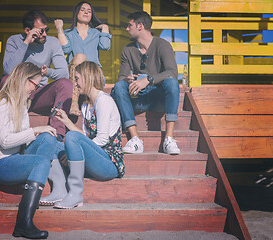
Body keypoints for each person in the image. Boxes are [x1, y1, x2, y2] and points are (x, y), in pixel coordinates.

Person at [0, 62, 65, 239]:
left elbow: (25, 140)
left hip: (15, 157)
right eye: (36, 84)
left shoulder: (22, 104)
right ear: (23, 80)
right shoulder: (1, 103)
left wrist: (41, 133)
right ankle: (23, 224)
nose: (36, 89)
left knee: (48, 136)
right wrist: (35, 130)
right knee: (41, 159)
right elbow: (4, 142)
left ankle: (37, 179)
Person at [40, 61, 124, 209]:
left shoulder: (104, 101)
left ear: (87, 77)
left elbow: (101, 140)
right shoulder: (86, 105)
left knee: (71, 137)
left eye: (77, 78)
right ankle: (59, 189)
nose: (75, 83)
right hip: (93, 159)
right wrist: (66, 121)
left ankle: (76, 194)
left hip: (108, 164)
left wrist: (71, 151)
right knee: (49, 141)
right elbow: (85, 136)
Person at [111, 11, 181, 155]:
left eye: (129, 25)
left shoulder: (163, 45)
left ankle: (169, 139)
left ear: (140, 26)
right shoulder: (128, 49)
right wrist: (128, 80)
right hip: (138, 98)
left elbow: (172, 72)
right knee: (119, 86)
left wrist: (148, 80)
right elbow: (121, 78)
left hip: (159, 98)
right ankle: (135, 139)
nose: (127, 29)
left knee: (172, 83)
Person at [2, 10, 71, 141]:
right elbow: (9, 71)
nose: (45, 34)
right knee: (5, 80)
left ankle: (57, 135)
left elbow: (64, 73)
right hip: (19, 93)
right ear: (28, 30)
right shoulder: (14, 41)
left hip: (40, 94)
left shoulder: (53, 42)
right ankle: (9, 130)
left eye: (47, 30)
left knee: (66, 84)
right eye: (41, 31)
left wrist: (48, 72)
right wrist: (26, 42)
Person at [54, 1, 111, 115]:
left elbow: (105, 46)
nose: (86, 12)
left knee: (87, 63)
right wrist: (59, 29)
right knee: (80, 57)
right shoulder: (69, 33)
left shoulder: (96, 33)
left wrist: (105, 27)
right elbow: (65, 49)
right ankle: (74, 102)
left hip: (93, 75)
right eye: (83, 9)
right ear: (77, 13)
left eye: (89, 11)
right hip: (75, 76)